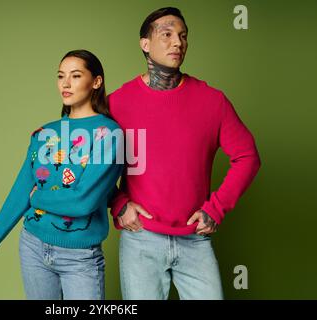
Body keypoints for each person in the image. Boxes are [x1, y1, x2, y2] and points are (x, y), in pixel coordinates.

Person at [108, 7, 261, 300]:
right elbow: (88, 163)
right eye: (166, 34)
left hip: (195, 240)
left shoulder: (212, 101)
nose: (177, 42)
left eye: (183, 36)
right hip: (140, 239)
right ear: (145, 44)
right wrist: (118, 203)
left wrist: (216, 208)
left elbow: (248, 157)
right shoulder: (117, 103)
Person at [0, 50, 124, 300]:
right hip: (33, 247)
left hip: (80, 256)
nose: (65, 83)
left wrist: (36, 198)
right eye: (61, 76)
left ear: (96, 81)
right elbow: (20, 191)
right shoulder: (44, 133)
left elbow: (83, 201)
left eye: (75, 75)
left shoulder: (109, 134)